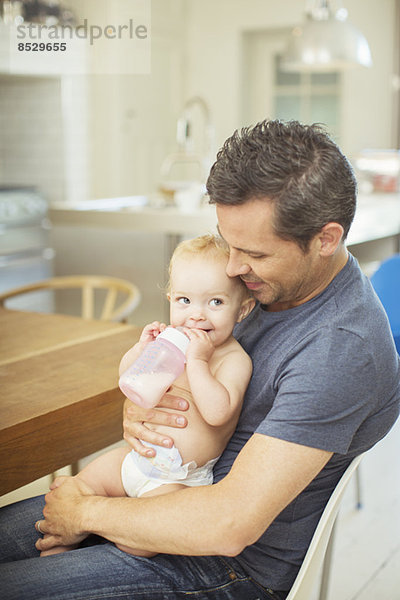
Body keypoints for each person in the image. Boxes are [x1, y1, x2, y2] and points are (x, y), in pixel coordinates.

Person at [1, 119, 399, 600]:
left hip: (222, 567)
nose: (232, 268)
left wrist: (84, 513)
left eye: (252, 252)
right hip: (160, 498)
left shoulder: (340, 348)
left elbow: (229, 523)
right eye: (227, 242)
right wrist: (143, 410)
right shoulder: (263, 288)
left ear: (325, 239)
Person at [38, 234, 254, 557]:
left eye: (216, 302)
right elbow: (130, 377)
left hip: (179, 480)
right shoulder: (170, 341)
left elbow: (218, 412)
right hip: (136, 461)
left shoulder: (233, 360)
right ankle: (58, 546)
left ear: (243, 310)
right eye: (184, 301)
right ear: (169, 298)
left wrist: (197, 362)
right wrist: (142, 349)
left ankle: (102, 531)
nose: (197, 315)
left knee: (138, 545)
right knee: (80, 484)